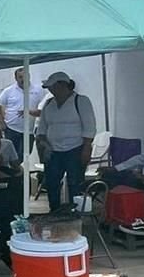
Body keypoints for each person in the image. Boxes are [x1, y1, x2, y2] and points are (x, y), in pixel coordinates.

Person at [35, 72, 97, 211]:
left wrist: (87, 148)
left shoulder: (80, 101)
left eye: (52, 86)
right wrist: (43, 145)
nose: (50, 90)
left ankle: (75, 213)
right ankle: (55, 211)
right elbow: (42, 128)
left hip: (75, 149)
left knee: (75, 183)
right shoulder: (49, 103)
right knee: (52, 183)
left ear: (62, 85)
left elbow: (89, 126)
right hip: (53, 151)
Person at [0, 68, 45, 155]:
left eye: (25, 77)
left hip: (29, 131)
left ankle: (18, 168)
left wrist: (30, 112)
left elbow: (44, 108)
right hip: (11, 129)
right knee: (11, 154)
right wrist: (2, 122)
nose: (23, 79)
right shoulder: (9, 90)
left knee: (25, 154)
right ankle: (15, 168)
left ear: (29, 76)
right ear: (16, 78)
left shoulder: (39, 91)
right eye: (20, 77)